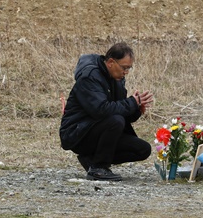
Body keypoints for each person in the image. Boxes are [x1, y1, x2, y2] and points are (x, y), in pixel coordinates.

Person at [59, 42, 154, 181]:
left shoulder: (117, 78)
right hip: (76, 134)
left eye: (129, 68)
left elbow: (120, 110)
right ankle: (99, 168)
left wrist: (137, 109)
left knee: (143, 149)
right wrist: (131, 102)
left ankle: (91, 160)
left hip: (96, 130)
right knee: (115, 121)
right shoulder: (89, 77)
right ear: (110, 62)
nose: (126, 72)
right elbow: (101, 110)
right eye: (124, 67)